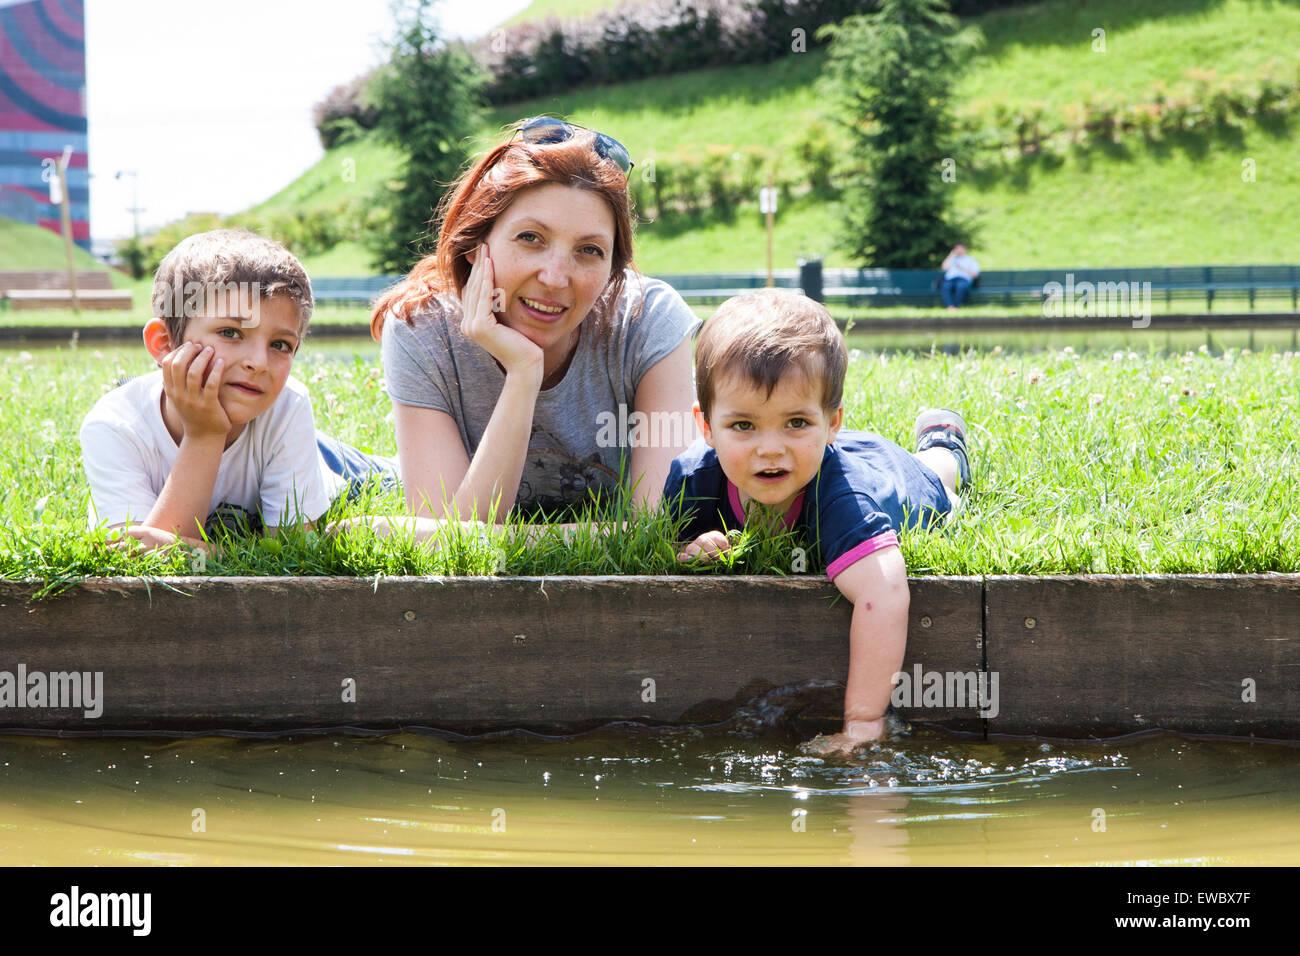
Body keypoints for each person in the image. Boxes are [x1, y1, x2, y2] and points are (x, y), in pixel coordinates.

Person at [663, 288, 972, 752]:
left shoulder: (845, 500)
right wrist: (683, 552)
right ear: (706, 426)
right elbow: (657, 548)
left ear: (831, 422)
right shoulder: (692, 481)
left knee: (938, 477)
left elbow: (883, 595)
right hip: (837, 455)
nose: (770, 448)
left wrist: (863, 724)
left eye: (796, 422)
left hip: (900, 479)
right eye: (743, 426)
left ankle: (944, 439)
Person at [371, 117, 699, 523]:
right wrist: (524, 372)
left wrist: (497, 540)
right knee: (345, 472)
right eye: (531, 238)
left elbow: (652, 527)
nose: (555, 278)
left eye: (589, 250)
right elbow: (448, 548)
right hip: (394, 467)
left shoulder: (650, 322)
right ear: (475, 244)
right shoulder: (421, 329)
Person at [80, 229, 396, 553]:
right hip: (293, 451)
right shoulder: (115, 426)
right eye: (230, 332)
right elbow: (142, 562)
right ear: (164, 343)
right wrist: (204, 435)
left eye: (280, 345)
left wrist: (190, 549)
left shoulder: (287, 407)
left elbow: (291, 555)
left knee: (393, 478)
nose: (259, 363)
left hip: (334, 467)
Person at [940, 243, 980, 309]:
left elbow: (975, 275)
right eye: (956, 249)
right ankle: (949, 306)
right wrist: (951, 255)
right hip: (951, 279)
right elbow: (944, 268)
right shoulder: (952, 259)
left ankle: (955, 306)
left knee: (960, 286)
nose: (958, 251)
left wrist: (963, 269)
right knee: (945, 286)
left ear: (965, 249)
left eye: (960, 249)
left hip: (964, 279)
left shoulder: (971, 260)